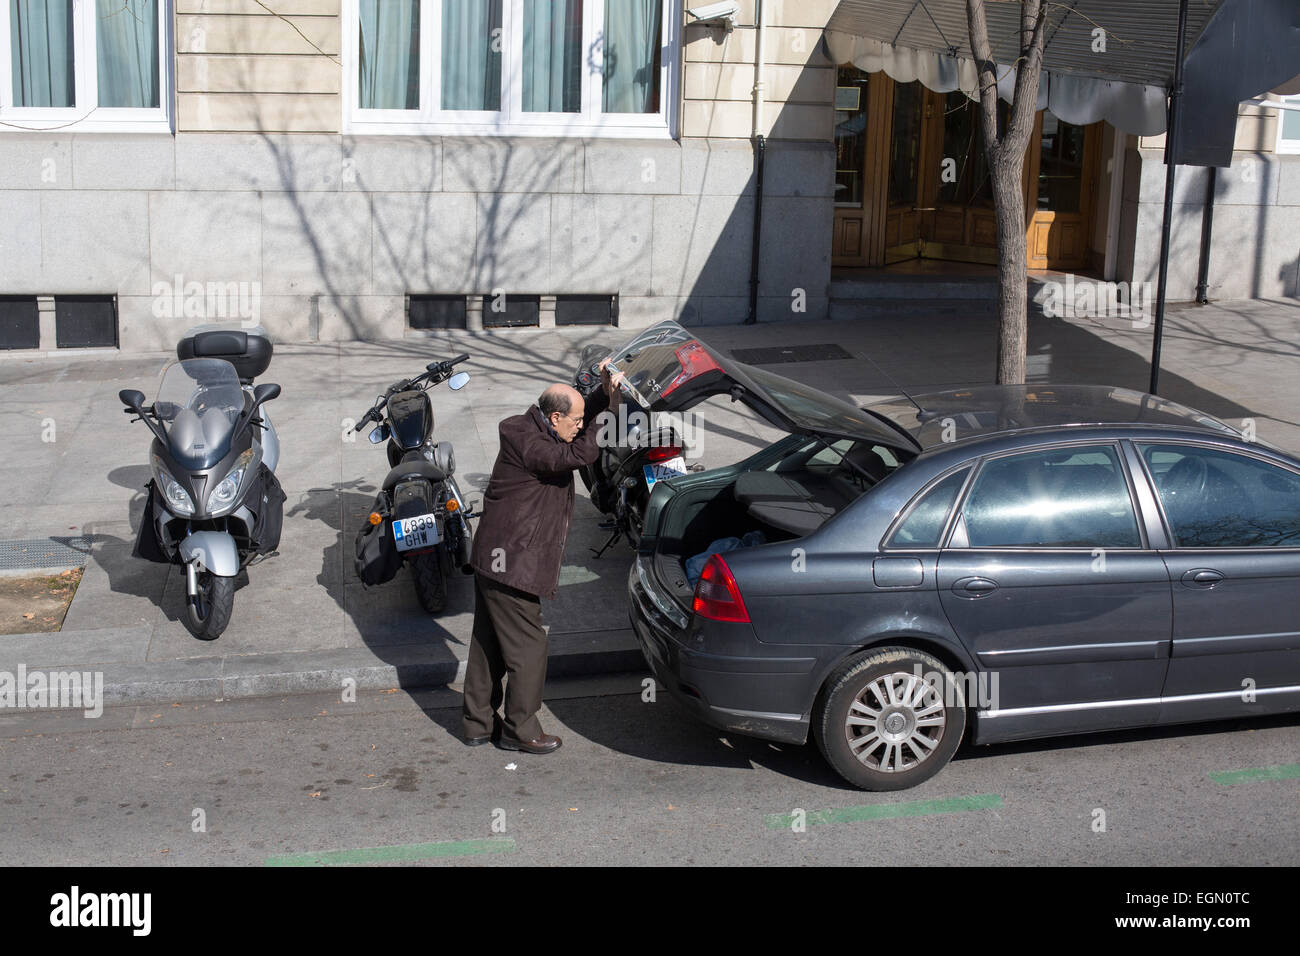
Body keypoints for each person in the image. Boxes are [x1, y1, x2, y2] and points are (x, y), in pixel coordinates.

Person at [462, 360, 622, 753]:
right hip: (513, 563)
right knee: (530, 647)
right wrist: (612, 413)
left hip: (496, 558)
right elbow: (575, 457)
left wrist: (600, 392)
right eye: (577, 420)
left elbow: (575, 421)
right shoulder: (533, 444)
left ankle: (477, 723)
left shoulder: (531, 427)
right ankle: (521, 730)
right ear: (554, 417)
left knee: (489, 644)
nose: (581, 425)